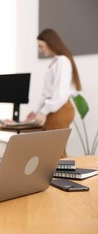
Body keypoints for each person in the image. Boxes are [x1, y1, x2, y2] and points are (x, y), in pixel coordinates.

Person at [25, 28, 82, 158]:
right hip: (55, 109)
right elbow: (47, 93)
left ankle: (63, 178)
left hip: (60, 109)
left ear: (51, 43)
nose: (40, 50)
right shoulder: (56, 62)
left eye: (41, 46)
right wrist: (36, 111)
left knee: (56, 153)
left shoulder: (62, 61)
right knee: (51, 152)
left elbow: (59, 95)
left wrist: (43, 111)